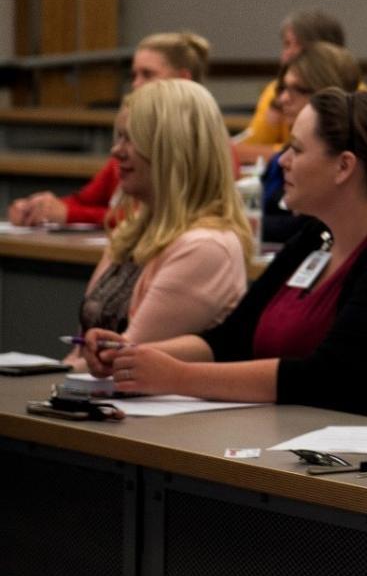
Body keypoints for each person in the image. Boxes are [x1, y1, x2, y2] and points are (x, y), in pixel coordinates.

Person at [84, 89, 367, 427]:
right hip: (314, 442)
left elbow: (327, 379)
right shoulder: (316, 236)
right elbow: (231, 339)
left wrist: (178, 377)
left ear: (343, 167)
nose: (282, 161)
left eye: (296, 149)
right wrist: (134, 359)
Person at [65, 80, 251, 369]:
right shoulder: (133, 231)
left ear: (171, 149)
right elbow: (81, 353)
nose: (116, 151)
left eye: (131, 139)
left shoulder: (206, 247)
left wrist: (45, 380)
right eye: (119, 137)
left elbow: (118, 362)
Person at [8, 31, 209, 227]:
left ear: (183, 79)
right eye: (133, 75)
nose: (136, 84)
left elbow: (157, 217)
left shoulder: (202, 147)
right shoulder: (126, 151)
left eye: (147, 74)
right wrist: (38, 208)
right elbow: (85, 200)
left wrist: (70, 214)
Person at [260, 42, 362, 244]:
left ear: (328, 94)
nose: (283, 99)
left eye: (297, 89)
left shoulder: (343, 162)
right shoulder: (279, 160)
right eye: (283, 88)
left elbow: (305, 229)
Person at [232, 10, 345, 164]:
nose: (286, 55)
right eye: (286, 45)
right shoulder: (276, 90)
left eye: (293, 45)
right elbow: (249, 146)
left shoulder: (352, 98)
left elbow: (324, 153)